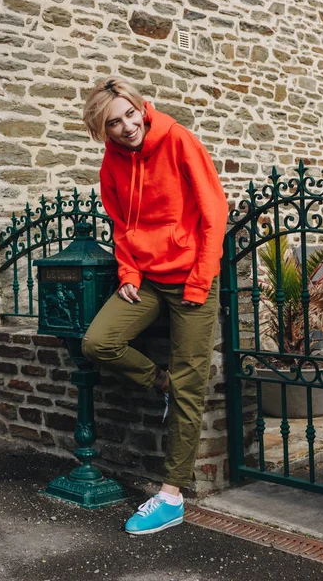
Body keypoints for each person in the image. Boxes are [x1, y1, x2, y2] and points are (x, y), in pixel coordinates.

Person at [81, 77, 228, 535]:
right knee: (97, 343)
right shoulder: (113, 162)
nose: (126, 127)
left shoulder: (179, 140)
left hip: (191, 279)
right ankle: (159, 381)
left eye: (130, 114)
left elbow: (214, 211)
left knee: (191, 385)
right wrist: (128, 274)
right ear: (102, 131)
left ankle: (171, 495)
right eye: (113, 123)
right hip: (146, 279)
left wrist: (201, 279)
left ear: (144, 107)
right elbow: (121, 225)